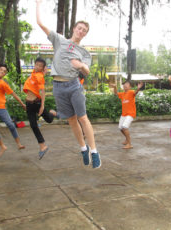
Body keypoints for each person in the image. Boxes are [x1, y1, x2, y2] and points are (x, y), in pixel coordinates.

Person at [36, 0, 101, 168]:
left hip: (73, 86)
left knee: (83, 118)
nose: (81, 31)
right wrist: (38, 4)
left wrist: (80, 66)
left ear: (85, 34)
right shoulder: (59, 40)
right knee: (71, 120)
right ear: (74, 29)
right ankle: (83, 148)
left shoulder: (84, 52)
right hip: (58, 86)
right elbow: (40, 23)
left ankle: (94, 151)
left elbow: (87, 71)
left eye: (84, 31)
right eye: (79, 28)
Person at [23, 57, 56, 159]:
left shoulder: (39, 76)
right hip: (28, 104)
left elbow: (42, 92)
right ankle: (43, 146)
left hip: (36, 104)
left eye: (40, 66)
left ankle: (53, 113)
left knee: (49, 119)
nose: (37, 67)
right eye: (36, 64)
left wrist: (42, 105)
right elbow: (38, 76)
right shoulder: (34, 74)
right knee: (33, 125)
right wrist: (44, 72)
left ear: (42, 68)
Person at [111, 81, 144, 149]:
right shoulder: (122, 94)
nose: (125, 85)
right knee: (120, 128)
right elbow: (115, 93)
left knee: (125, 127)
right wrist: (115, 87)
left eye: (127, 84)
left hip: (130, 114)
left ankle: (129, 144)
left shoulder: (131, 92)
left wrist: (138, 88)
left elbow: (135, 92)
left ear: (130, 87)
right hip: (124, 114)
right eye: (124, 84)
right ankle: (127, 139)